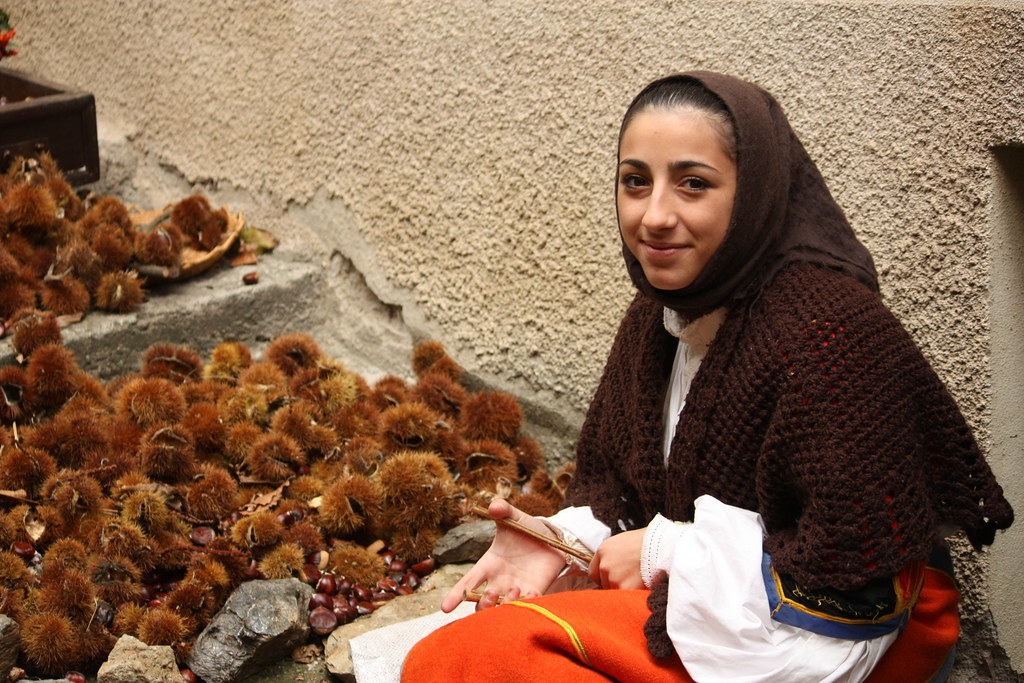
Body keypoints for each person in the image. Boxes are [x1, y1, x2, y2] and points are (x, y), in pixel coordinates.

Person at [400, 71, 1013, 682]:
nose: (655, 216)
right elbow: (623, 493)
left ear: (753, 193)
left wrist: (668, 551)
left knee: (468, 663)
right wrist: (561, 540)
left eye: (693, 184)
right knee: (462, 656)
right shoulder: (654, 320)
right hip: (726, 606)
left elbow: (855, 574)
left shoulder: (827, 331)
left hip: (842, 632)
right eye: (635, 182)